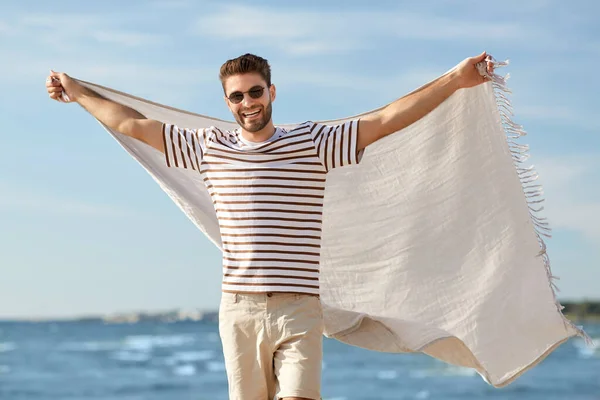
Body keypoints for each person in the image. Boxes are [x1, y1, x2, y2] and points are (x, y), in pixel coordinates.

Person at [46, 52, 494, 400]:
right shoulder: (208, 147)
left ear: (272, 92)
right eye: (237, 96)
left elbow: (384, 120)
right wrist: (77, 90)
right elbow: (131, 123)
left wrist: (456, 79)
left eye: (255, 92)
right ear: (227, 102)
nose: (247, 103)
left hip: (298, 309)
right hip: (238, 311)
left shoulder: (312, 142)